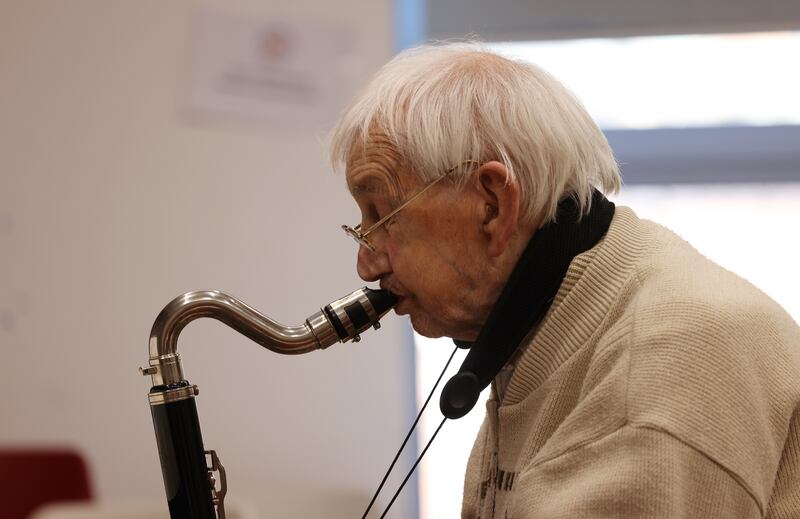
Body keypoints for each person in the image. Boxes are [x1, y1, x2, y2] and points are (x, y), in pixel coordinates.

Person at [329, 43, 800, 518]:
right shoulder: (552, 324)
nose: (367, 266)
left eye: (384, 218)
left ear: (491, 206)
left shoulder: (662, 362)